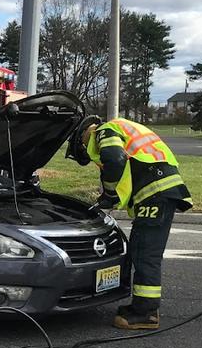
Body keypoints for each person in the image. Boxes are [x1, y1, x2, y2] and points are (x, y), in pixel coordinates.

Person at [65, 114, 191, 329]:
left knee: (145, 253)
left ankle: (145, 313)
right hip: (161, 191)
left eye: (83, 146)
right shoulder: (124, 126)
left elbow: (115, 160)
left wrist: (109, 194)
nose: (87, 150)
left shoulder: (104, 131)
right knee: (140, 249)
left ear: (83, 135)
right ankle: (142, 307)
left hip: (155, 194)